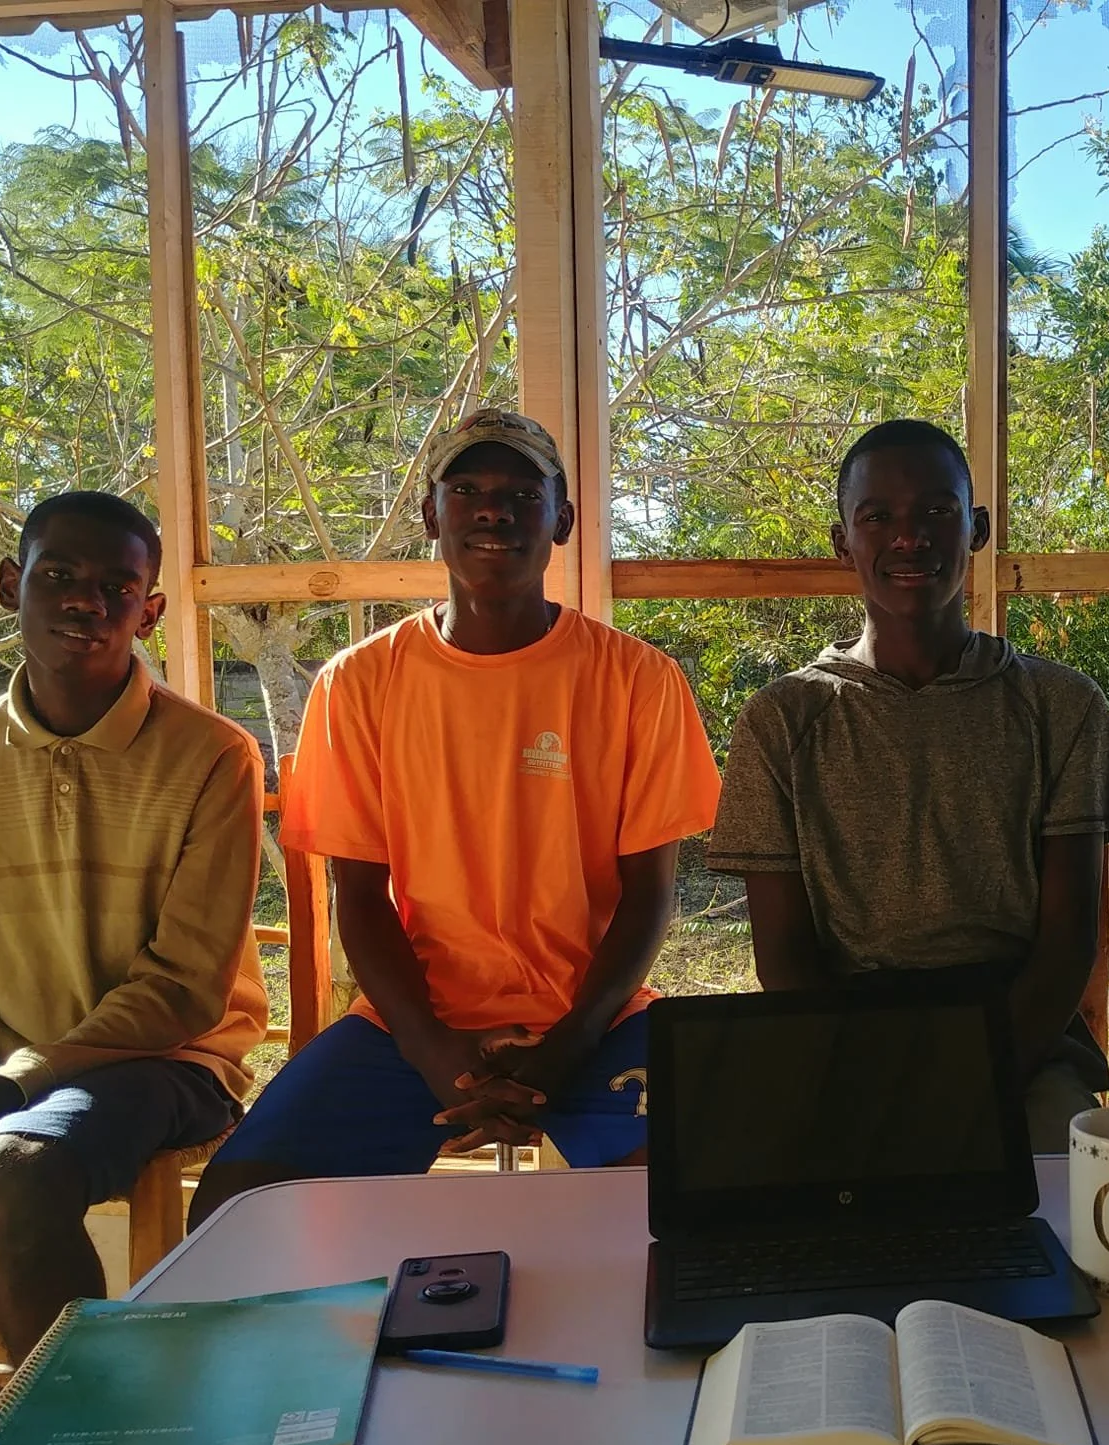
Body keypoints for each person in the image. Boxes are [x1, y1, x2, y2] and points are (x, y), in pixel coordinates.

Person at [190, 410, 720, 1225]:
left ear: (563, 519)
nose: (493, 511)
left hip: (598, 1023)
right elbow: (359, 897)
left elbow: (649, 896)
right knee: (241, 1208)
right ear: (431, 516)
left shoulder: (638, 679)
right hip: (412, 1026)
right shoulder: (357, 683)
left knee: (706, 1199)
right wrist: (431, 1049)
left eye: (523, 494)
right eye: (466, 490)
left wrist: (570, 1045)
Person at [0, 492, 266, 1445]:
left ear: (148, 611)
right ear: (13, 585)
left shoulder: (210, 755)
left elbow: (181, 989)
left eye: (116, 587)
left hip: (168, 1060)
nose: (85, 603)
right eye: (58, 576)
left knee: (13, 1174)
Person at [708, 418, 1109, 1153]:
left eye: (937, 511)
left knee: (1057, 1192)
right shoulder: (783, 719)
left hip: (1020, 1037)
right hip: (844, 1040)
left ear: (977, 529)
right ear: (842, 541)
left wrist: (976, 1076)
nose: (910, 537)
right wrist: (876, 1080)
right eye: (878, 516)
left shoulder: (1060, 705)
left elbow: (1069, 943)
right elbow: (784, 958)